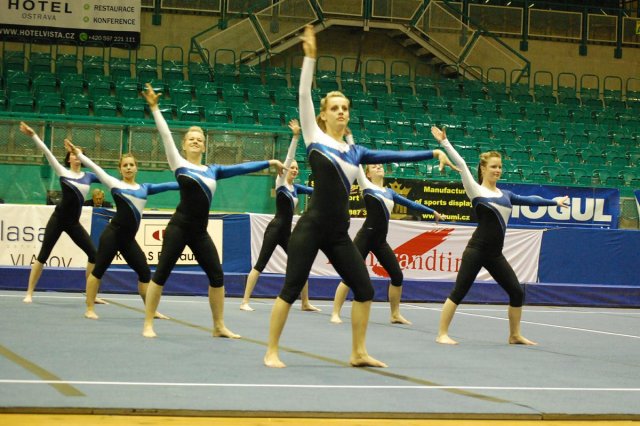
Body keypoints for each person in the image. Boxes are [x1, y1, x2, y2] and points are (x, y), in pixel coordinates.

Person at [263, 25, 457, 368]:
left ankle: (358, 352)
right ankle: (271, 350)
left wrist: (432, 153)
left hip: (339, 231)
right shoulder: (314, 137)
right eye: (335, 108)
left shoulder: (356, 152)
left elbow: (391, 154)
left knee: (365, 290)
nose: (341, 112)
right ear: (323, 115)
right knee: (291, 289)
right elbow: (304, 97)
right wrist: (309, 58)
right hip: (312, 226)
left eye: (345, 108)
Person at [141, 83, 286, 339]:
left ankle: (219, 325)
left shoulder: (213, 170)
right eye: (191, 139)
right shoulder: (179, 163)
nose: (196, 142)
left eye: (200, 140)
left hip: (199, 232)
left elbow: (242, 167)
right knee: (162, 272)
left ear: (204, 146)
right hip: (179, 227)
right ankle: (148, 323)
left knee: (217, 276)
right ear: (184, 145)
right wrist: (154, 108)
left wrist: (270, 161)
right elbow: (164, 135)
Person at [430, 126, 569, 345]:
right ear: (483, 169)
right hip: (476, 251)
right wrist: (445, 143)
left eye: (500, 167)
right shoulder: (476, 191)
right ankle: (442, 334)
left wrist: (554, 202)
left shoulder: (506, 195)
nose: (498, 170)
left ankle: (514, 335)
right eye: (493, 166)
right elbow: (462, 165)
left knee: (516, 292)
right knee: (459, 291)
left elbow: (530, 199)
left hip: (495, 255)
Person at [65, 140, 179, 320]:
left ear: (136, 168)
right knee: (99, 270)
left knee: (144, 272)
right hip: (112, 235)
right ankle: (89, 308)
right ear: (120, 169)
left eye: (131, 165)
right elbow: (96, 168)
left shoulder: (144, 188)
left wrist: (189, 180)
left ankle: (151, 309)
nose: (128, 168)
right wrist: (78, 155)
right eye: (125, 165)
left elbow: (169, 185)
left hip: (128, 240)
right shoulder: (115, 184)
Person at [330, 163, 445, 325]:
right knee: (350, 276)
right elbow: (356, 165)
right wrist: (349, 141)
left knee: (397, 276)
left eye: (380, 165)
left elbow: (410, 204)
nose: (378, 167)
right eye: (374, 167)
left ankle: (395, 314)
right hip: (365, 237)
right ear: (368, 174)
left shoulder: (390, 192)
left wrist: (432, 211)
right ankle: (335, 313)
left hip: (380, 241)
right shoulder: (366, 186)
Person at [240, 119, 319, 312]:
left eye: (296, 170)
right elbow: (290, 159)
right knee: (260, 264)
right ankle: (245, 301)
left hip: (286, 232)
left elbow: (315, 191)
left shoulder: (295, 188)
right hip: (275, 228)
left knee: (301, 263)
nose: (293, 170)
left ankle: (305, 302)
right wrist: (295, 137)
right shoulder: (281, 182)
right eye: (291, 168)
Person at [19, 122, 100, 304]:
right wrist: (33, 135)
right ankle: (29, 292)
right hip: (59, 218)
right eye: (72, 154)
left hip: (73, 223)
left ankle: (91, 294)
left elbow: (98, 170)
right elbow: (47, 152)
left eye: (78, 154)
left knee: (94, 254)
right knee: (43, 254)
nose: (76, 157)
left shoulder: (89, 176)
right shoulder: (62, 172)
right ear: (68, 158)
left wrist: (80, 154)